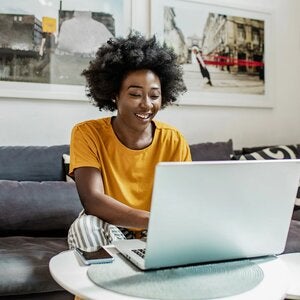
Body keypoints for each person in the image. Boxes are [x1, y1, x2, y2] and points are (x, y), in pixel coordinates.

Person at [67, 32, 192, 252]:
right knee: (84, 228)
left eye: (154, 96)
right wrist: (152, 221)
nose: (146, 104)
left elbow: (183, 200)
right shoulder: (87, 133)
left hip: (157, 230)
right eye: (135, 94)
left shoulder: (174, 140)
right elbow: (92, 201)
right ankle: (106, 284)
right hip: (109, 225)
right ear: (115, 94)